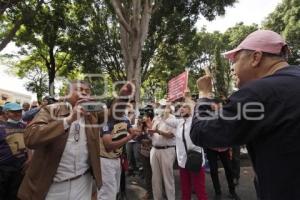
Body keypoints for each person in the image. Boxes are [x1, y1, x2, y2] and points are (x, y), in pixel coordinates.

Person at [190, 30, 300, 200]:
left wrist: (204, 94)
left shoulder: (259, 93)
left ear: (256, 57)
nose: (232, 68)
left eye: (235, 60)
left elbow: (201, 132)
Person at [18, 80, 129, 200]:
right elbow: (30, 137)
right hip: (53, 187)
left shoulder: (93, 114)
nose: (85, 93)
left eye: (87, 91)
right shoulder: (50, 110)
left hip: (82, 183)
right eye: (80, 90)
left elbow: (114, 114)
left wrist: (123, 97)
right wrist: (69, 120)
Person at [97, 99, 140, 200]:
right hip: (105, 160)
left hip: (117, 159)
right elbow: (108, 146)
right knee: (106, 194)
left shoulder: (125, 118)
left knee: (115, 191)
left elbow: (132, 132)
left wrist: (139, 131)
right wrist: (129, 137)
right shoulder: (106, 119)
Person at [164, 102, 208, 200]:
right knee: (185, 190)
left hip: (195, 160)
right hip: (183, 162)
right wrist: (167, 106)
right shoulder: (179, 122)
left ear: (191, 110)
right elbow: (166, 119)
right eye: (181, 107)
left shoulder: (196, 121)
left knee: (200, 190)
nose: (181, 109)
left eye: (185, 107)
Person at [0, 102, 31, 200]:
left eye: (19, 111)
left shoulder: (24, 126)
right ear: (6, 113)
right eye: (14, 112)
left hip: (20, 168)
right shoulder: (1, 127)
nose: (18, 113)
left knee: (15, 194)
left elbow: (28, 143)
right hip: (4, 169)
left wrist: (30, 159)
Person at [148, 102, 176, 200]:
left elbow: (171, 135)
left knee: (168, 179)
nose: (161, 108)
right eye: (160, 106)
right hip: (154, 150)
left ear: (168, 107)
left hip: (167, 150)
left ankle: (171, 198)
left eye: (163, 106)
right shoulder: (156, 118)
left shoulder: (172, 119)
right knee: (155, 179)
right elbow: (152, 134)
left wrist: (157, 131)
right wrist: (150, 131)